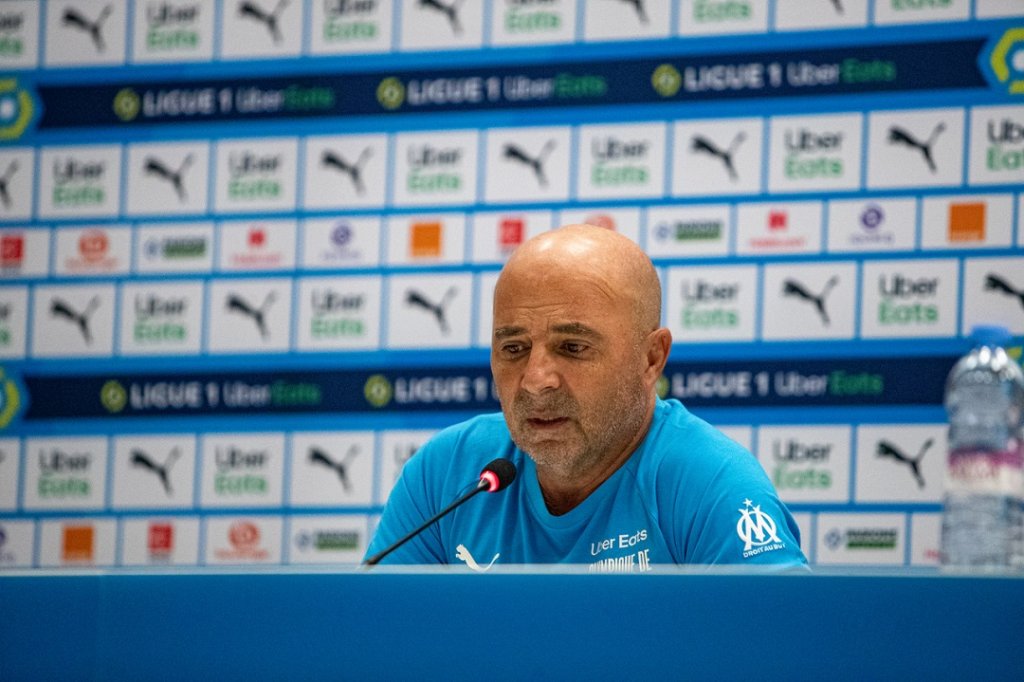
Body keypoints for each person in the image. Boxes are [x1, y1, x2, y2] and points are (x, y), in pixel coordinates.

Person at [365, 224, 807, 570]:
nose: (536, 381)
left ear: (651, 358)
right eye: (513, 349)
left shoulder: (712, 485)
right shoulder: (446, 475)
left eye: (573, 348)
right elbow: (375, 645)